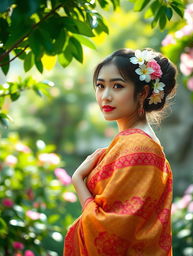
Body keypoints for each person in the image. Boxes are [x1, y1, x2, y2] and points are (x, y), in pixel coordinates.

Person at [63, 48, 177, 256]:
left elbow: (112, 233)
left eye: (117, 86)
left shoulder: (140, 147)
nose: (105, 96)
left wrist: (78, 180)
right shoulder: (131, 142)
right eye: (100, 86)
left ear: (142, 92)